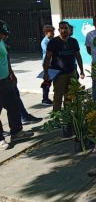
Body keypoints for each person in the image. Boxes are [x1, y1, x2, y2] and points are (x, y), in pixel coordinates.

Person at [0, 20, 34, 150]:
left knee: (13, 107)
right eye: (3, 34)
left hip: (5, 80)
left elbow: (5, 58)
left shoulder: (2, 42)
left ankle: (16, 132)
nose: (5, 36)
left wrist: (11, 73)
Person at [43, 21, 85, 111]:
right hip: (59, 75)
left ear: (69, 30)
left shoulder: (73, 41)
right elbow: (47, 58)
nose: (64, 30)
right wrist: (46, 73)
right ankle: (57, 119)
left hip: (72, 73)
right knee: (58, 97)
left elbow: (78, 56)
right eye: (62, 28)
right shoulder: (53, 42)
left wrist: (81, 70)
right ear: (59, 30)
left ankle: (68, 117)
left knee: (70, 97)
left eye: (66, 28)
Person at [40, 25, 55, 105]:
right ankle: (45, 99)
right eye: (51, 32)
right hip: (47, 64)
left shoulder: (52, 40)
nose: (53, 33)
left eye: (53, 31)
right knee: (47, 81)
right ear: (46, 32)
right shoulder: (44, 42)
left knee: (51, 81)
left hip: (53, 63)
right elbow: (49, 52)